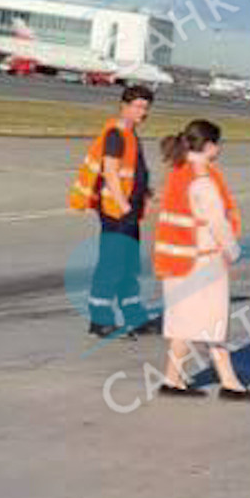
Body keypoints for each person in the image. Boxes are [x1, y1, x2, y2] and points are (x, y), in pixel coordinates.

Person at [153, 120, 250, 401]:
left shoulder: (178, 171)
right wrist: (233, 250)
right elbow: (217, 222)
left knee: (184, 323)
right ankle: (228, 383)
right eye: (219, 143)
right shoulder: (203, 181)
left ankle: (176, 379)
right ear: (210, 146)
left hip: (176, 260)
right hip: (201, 262)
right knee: (212, 324)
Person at [69, 85, 154, 336]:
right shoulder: (116, 134)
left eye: (146, 107)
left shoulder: (130, 134)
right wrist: (126, 206)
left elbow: (131, 171)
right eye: (138, 106)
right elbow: (111, 173)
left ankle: (134, 316)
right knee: (112, 264)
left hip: (129, 210)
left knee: (128, 265)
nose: (143, 112)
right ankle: (99, 319)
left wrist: (145, 191)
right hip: (116, 211)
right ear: (124, 105)